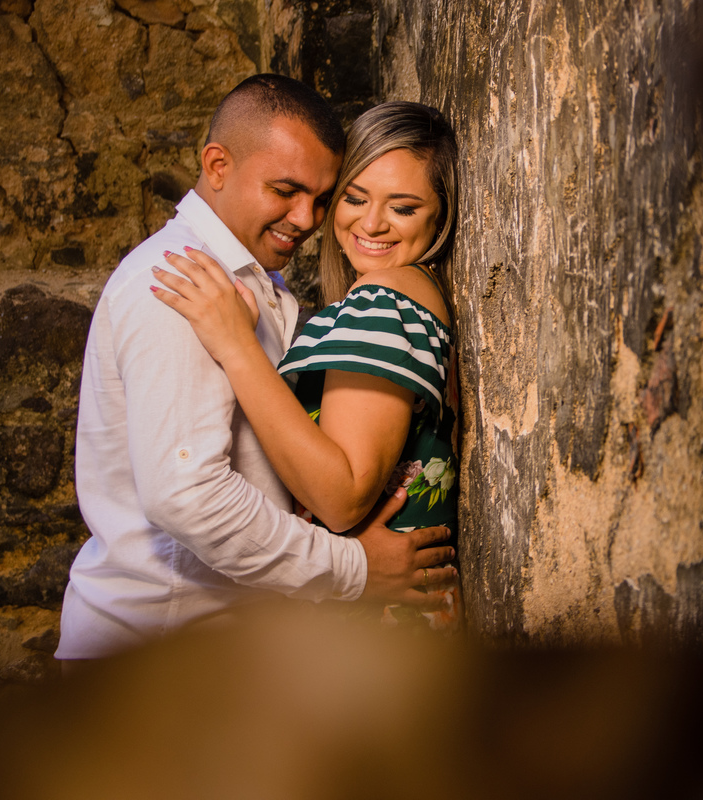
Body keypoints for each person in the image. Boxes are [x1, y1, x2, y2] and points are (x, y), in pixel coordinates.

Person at [56, 77, 455, 663]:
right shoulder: (179, 281)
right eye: (286, 190)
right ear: (216, 165)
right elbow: (187, 495)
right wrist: (352, 568)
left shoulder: (254, 285)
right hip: (158, 654)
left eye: (321, 197)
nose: (306, 218)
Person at [150, 101, 462, 629]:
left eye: (403, 208)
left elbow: (341, 498)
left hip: (380, 631)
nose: (371, 223)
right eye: (354, 198)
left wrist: (236, 345)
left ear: (441, 213)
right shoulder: (410, 292)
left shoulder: (384, 298)